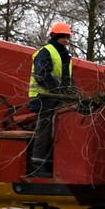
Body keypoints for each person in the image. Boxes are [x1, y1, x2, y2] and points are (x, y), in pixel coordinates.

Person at [27, 21, 75, 176]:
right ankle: (37, 164)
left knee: (59, 129)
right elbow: (42, 76)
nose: (66, 40)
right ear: (55, 36)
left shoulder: (65, 55)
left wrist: (73, 95)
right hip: (42, 98)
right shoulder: (46, 51)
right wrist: (57, 91)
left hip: (55, 97)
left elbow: (68, 78)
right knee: (45, 128)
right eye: (63, 37)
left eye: (67, 37)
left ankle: (50, 163)